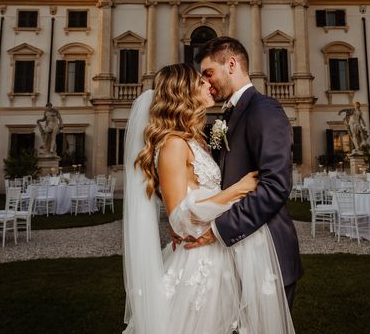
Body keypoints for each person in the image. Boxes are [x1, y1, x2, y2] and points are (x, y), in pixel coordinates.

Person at [122, 64, 294, 334]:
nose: (208, 85)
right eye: (201, 82)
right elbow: (179, 219)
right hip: (199, 259)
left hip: (219, 252)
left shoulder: (193, 139)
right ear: (185, 92)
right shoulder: (173, 144)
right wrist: (239, 189)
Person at [192, 37, 303, 310]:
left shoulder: (264, 110)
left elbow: (275, 185)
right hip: (239, 255)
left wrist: (219, 229)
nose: (207, 83)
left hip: (268, 254)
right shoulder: (230, 114)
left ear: (231, 64)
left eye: (209, 73)